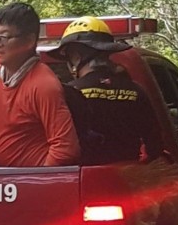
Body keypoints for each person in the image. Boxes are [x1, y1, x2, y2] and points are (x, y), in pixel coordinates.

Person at [0, 2, 80, 177]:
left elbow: (65, 148)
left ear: (29, 41)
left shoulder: (44, 84)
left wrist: (36, 181)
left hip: (31, 186)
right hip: (6, 184)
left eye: (4, 37)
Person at [48, 16, 162, 164]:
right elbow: (155, 146)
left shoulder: (70, 93)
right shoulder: (136, 91)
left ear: (76, 56)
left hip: (83, 178)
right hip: (128, 178)